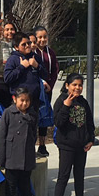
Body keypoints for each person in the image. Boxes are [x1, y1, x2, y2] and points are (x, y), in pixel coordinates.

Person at [46, 73, 96, 196]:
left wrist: (90, 139)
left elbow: (89, 123)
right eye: (74, 84)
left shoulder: (83, 102)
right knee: (63, 177)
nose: (77, 88)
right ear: (67, 85)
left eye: (80, 85)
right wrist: (67, 105)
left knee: (79, 176)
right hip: (67, 146)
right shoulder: (61, 100)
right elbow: (58, 123)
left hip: (82, 146)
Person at [0, 87, 38, 196]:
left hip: (27, 155)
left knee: (25, 183)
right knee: (10, 185)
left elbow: (34, 133)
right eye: (22, 100)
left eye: (27, 101)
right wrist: (1, 159)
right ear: (15, 99)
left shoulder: (32, 114)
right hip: (11, 156)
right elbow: (1, 136)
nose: (24, 104)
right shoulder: (8, 113)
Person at [4, 32, 47, 113]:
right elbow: (7, 78)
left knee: (33, 123)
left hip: (34, 100)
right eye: (24, 44)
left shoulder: (35, 57)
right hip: (19, 101)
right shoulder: (13, 59)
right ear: (16, 47)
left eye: (29, 43)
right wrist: (21, 67)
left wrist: (37, 66)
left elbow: (45, 75)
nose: (27, 46)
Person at [33, 26, 59, 157]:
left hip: (47, 90)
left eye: (45, 37)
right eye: (40, 37)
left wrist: (50, 85)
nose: (43, 40)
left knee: (44, 116)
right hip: (35, 89)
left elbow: (55, 70)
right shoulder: (33, 52)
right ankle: (32, 144)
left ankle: (42, 145)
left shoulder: (51, 52)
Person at [0, 22, 16, 109]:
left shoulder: (18, 44)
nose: (10, 31)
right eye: (7, 29)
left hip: (15, 81)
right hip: (1, 81)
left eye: (12, 29)